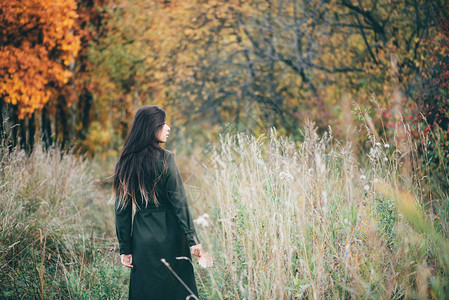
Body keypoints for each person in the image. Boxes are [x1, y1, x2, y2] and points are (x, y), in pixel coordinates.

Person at [113, 106, 203, 299]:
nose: (168, 127)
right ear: (150, 128)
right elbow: (179, 200)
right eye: (163, 124)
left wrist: (125, 248)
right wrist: (192, 238)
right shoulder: (165, 158)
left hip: (142, 239)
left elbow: (122, 210)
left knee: (146, 291)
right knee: (178, 290)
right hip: (171, 235)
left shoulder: (125, 162)